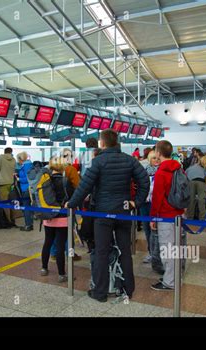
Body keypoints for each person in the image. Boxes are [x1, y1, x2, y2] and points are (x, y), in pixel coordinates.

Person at [66, 129, 149, 302]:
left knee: (101, 252)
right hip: (124, 213)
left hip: (102, 213)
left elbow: (84, 187)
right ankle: (128, 289)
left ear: (102, 143)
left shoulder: (98, 162)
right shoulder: (130, 160)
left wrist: (71, 204)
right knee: (125, 250)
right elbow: (144, 181)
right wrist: (137, 202)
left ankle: (100, 292)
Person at [149, 140, 185, 290]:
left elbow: (157, 197)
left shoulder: (161, 172)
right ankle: (175, 277)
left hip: (165, 215)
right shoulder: (179, 169)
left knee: (167, 249)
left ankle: (169, 282)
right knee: (176, 247)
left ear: (158, 153)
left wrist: (153, 217)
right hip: (179, 214)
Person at [40, 156, 75, 283]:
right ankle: (61, 274)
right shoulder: (65, 181)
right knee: (60, 245)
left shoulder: (45, 180)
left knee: (47, 242)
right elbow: (72, 197)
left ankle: (44, 268)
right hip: (62, 217)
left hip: (48, 216)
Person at [141, 149, 164, 274]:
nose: (156, 160)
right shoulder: (145, 172)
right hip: (145, 204)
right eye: (153, 158)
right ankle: (151, 252)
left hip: (157, 205)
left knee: (157, 230)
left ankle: (158, 254)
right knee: (147, 230)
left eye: (157, 158)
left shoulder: (162, 171)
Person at [186, 155, 206, 220]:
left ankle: (190, 218)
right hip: (201, 182)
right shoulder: (205, 169)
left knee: (191, 201)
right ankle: (202, 219)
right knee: (201, 201)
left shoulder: (192, 167)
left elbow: (186, 173)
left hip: (191, 182)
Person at [16, 151, 34, 231]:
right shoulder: (29, 164)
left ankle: (28, 225)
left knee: (26, 207)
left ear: (21, 159)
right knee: (29, 207)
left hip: (26, 188)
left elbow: (27, 178)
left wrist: (19, 179)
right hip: (30, 188)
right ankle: (30, 224)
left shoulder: (26, 166)